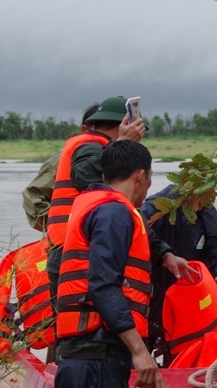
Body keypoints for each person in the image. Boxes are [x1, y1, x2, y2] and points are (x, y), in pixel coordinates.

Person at [53, 140, 173, 388]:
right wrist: (139, 351)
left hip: (77, 358)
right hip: (97, 359)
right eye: (148, 181)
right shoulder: (115, 212)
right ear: (140, 176)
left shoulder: (88, 205)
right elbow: (103, 286)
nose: (146, 188)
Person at [44, 96, 147, 301]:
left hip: (74, 249)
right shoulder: (90, 145)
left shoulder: (97, 145)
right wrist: (121, 144)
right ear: (124, 124)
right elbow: (82, 175)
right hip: (75, 252)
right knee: (84, 325)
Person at [140, 183, 217, 353]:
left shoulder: (209, 214)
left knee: (186, 347)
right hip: (154, 293)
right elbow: (139, 233)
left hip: (190, 298)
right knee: (144, 345)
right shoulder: (158, 206)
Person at [22, 103, 99, 233]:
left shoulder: (122, 154)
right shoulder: (64, 157)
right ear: (85, 129)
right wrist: (58, 226)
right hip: (69, 239)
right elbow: (32, 196)